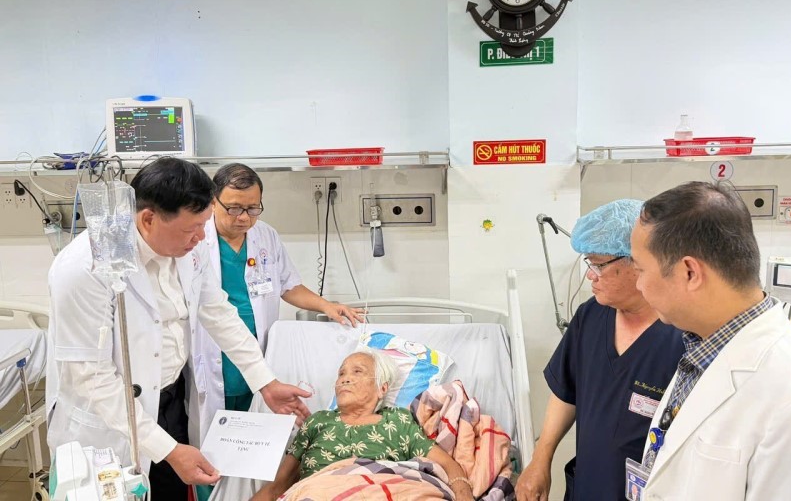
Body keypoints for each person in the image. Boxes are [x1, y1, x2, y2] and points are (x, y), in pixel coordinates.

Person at [46, 158, 311, 501]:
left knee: (168, 491)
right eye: (192, 229)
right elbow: (92, 378)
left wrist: (266, 382)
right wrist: (168, 450)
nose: (201, 238)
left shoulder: (189, 249)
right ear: (148, 219)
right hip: (108, 419)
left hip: (168, 402)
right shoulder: (84, 268)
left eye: (203, 225)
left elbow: (219, 314)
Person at [630, 181, 791, 500]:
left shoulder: (790, 394)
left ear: (690, 273)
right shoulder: (702, 347)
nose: (638, 285)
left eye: (640, 270)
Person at [515, 200, 684, 501]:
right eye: (588, 263)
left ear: (637, 263)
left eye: (598, 264)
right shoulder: (591, 316)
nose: (590, 275)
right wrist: (541, 459)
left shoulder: (682, 336)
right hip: (588, 485)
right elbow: (566, 391)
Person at [197, 163, 363, 414]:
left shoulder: (266, 235)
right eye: (234, 208)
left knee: (256, 418)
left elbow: (288, 285)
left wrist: (326, 306)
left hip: (258, 346)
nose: (244, 217)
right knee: (214, 425)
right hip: (213, 348)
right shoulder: (196, 238)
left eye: (253, 208)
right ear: (213, 201)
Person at [252, 350, 474, 501]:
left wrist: (463, 493)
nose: (344, 379)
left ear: (382, 388)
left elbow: (448, 465)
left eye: (357, 372)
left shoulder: (397, 421)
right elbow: (278, 486)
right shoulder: (318, 421)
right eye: (341, 373)